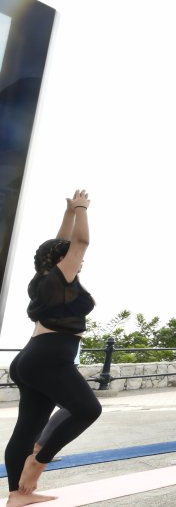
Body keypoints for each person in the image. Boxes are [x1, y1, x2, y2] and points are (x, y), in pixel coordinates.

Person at [4, 190, 101, 507]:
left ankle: (18, 496)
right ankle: (38, 462)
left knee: (27, 428)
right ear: (62, 260)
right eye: (73, 258)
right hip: (49, 357)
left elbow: (60, 243)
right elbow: (79, 243)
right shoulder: (60, 276)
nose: (80, 260)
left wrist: (70, 213)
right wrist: (84, 209)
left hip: (33, 356)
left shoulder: (43, 276)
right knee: (88, 409)